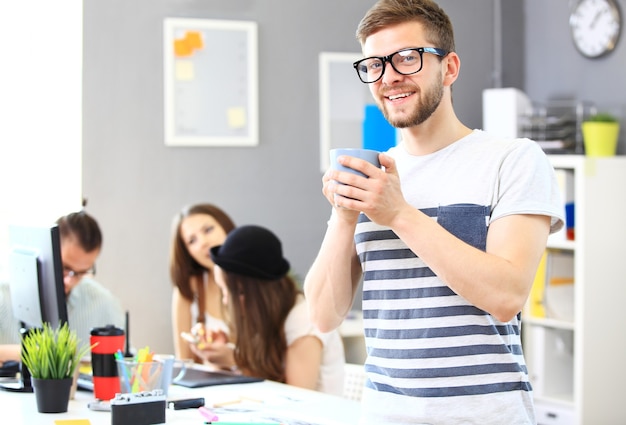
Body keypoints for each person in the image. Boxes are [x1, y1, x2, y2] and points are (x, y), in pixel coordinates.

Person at [303, 0, 564, 423]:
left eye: (407, 58)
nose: (389, 77)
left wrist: (399, 214)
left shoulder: (513, 160)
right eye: (374, 65)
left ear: (450, 68)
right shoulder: (376, 175)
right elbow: (322, 316)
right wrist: (344, 215)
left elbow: (506, 295)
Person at [191, 225, 344, 395]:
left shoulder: (303, 321)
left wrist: (235, 359)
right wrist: (221, 359)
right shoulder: (271, 316)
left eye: (230, 292)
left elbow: (295, 399)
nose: (226, 300)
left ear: (253, 293)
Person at [0, 210, 125, 359]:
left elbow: (126, 364)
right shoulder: (4, 298)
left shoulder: (103, 303)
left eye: (80, 272)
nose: (69, 281)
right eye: (65, 268)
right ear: (47, 251)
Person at [169, 203, 237, 368]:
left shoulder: (255, 283)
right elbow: (183, 362)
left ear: (226, 227)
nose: (203, 243)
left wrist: (234, 359)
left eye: (208, 230)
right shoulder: (189, 288)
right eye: (192, 240)